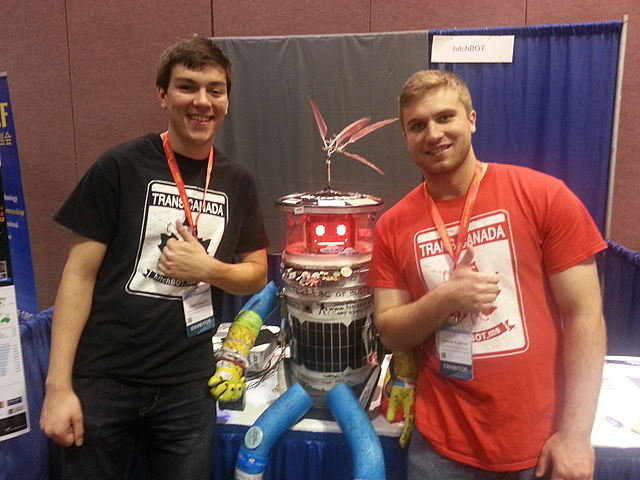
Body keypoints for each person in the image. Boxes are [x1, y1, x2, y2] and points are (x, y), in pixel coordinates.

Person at [39, 36, 268, 480]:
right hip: (105, 379)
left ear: (226, 100)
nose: (202, 101)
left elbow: (256, 274)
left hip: (187, 385)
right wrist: (57, 386)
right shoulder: (119, 167)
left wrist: (210, 270)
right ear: (162, 95)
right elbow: (78, 276)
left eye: (215, 90)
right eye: (187, 87)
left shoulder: (237, 181)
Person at [367, 69, 607, 480]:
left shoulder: (544, 196)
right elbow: (389, 331)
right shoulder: (393, 225)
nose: (433, 133)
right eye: (417, 125)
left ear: (472, 119)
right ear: (405, 137)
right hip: (440, 448)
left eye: (446, 117)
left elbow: (586, 316)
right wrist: (445, 299)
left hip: (539, 445)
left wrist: (576, 435)